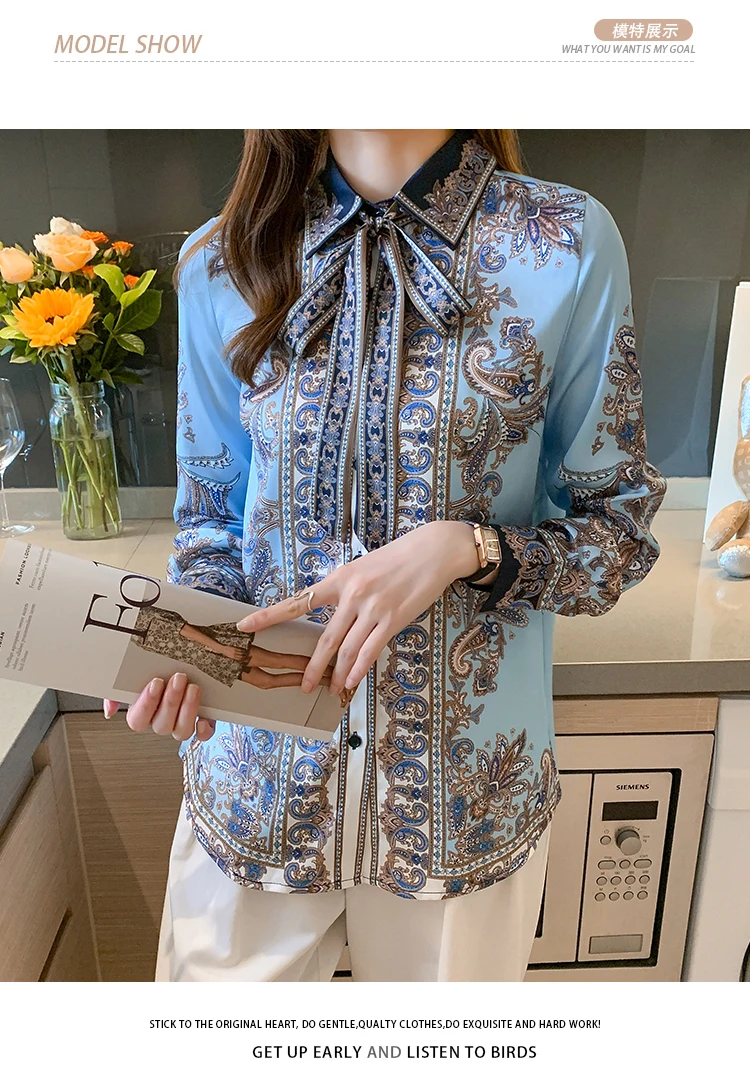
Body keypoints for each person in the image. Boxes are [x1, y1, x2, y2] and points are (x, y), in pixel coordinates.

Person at [105, 129, 666, 982]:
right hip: (256, 793)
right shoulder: (222, 259)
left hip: (461, 811)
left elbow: (619, 533)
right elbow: (211, 525)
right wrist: (188, 658)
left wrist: (466, 548)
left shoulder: (565, 243)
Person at [130, 604, 335, 691]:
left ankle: (335, 674)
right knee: (266, 683)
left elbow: (184, 629)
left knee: (278, 661)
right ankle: (331, 681)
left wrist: (221, 648)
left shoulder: (141, 615)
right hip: (206, 660)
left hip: (216, 647)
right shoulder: (130, 635)